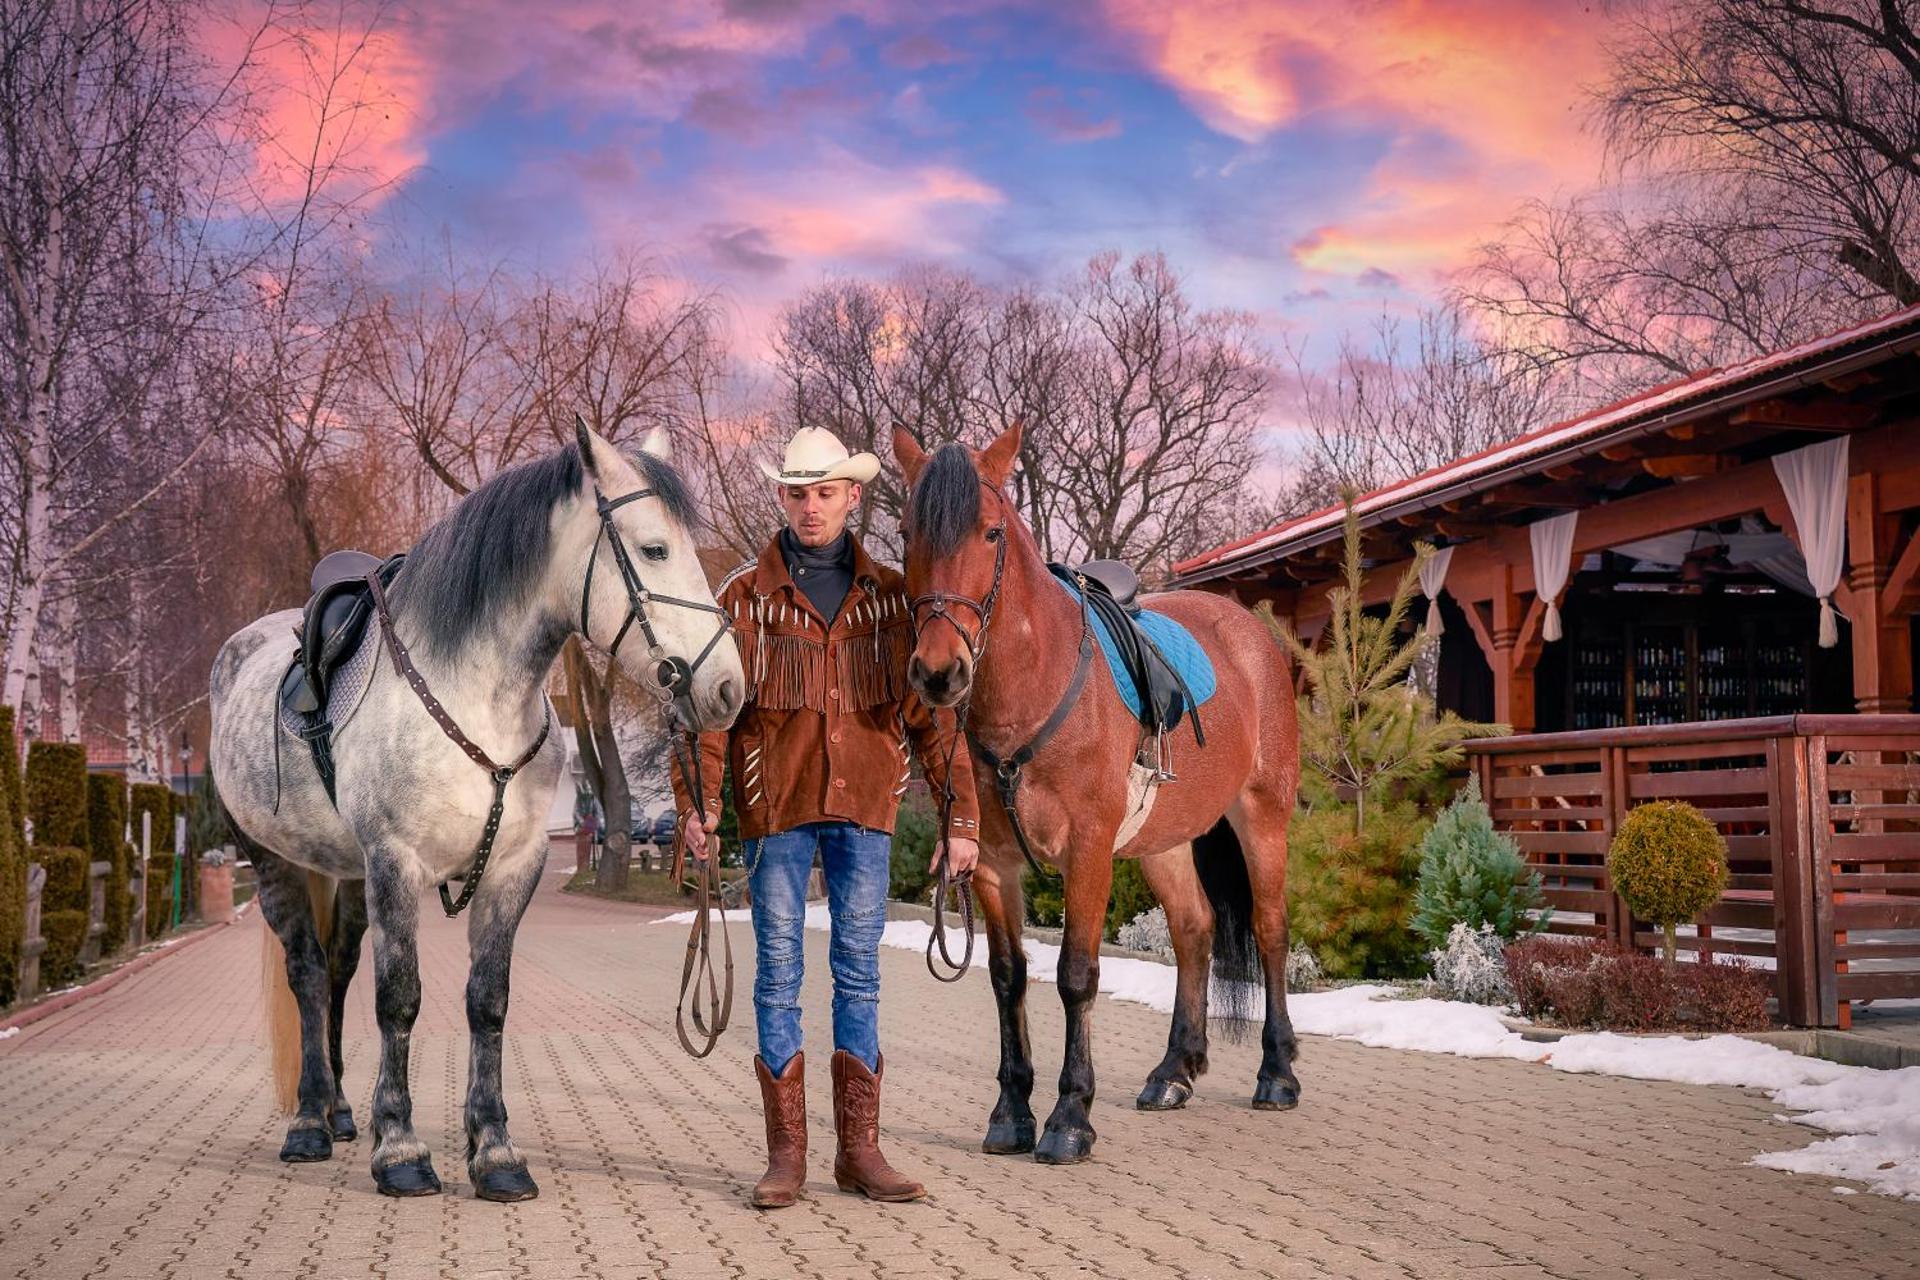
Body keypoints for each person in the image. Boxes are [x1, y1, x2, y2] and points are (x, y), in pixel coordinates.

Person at [673, 426, 980, 1209]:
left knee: (859, 976)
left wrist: (961, 821)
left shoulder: (890, 601)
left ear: (853, 496)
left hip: (865, 809)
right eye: (797, 493)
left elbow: (933, 718)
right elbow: (709, 718)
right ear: (781, 497)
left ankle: (861, 1152)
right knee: (778, 978)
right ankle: (787, 1159)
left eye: (826, 493)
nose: (811, 508)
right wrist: (700, 808)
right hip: (775, 812)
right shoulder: (743, 600)